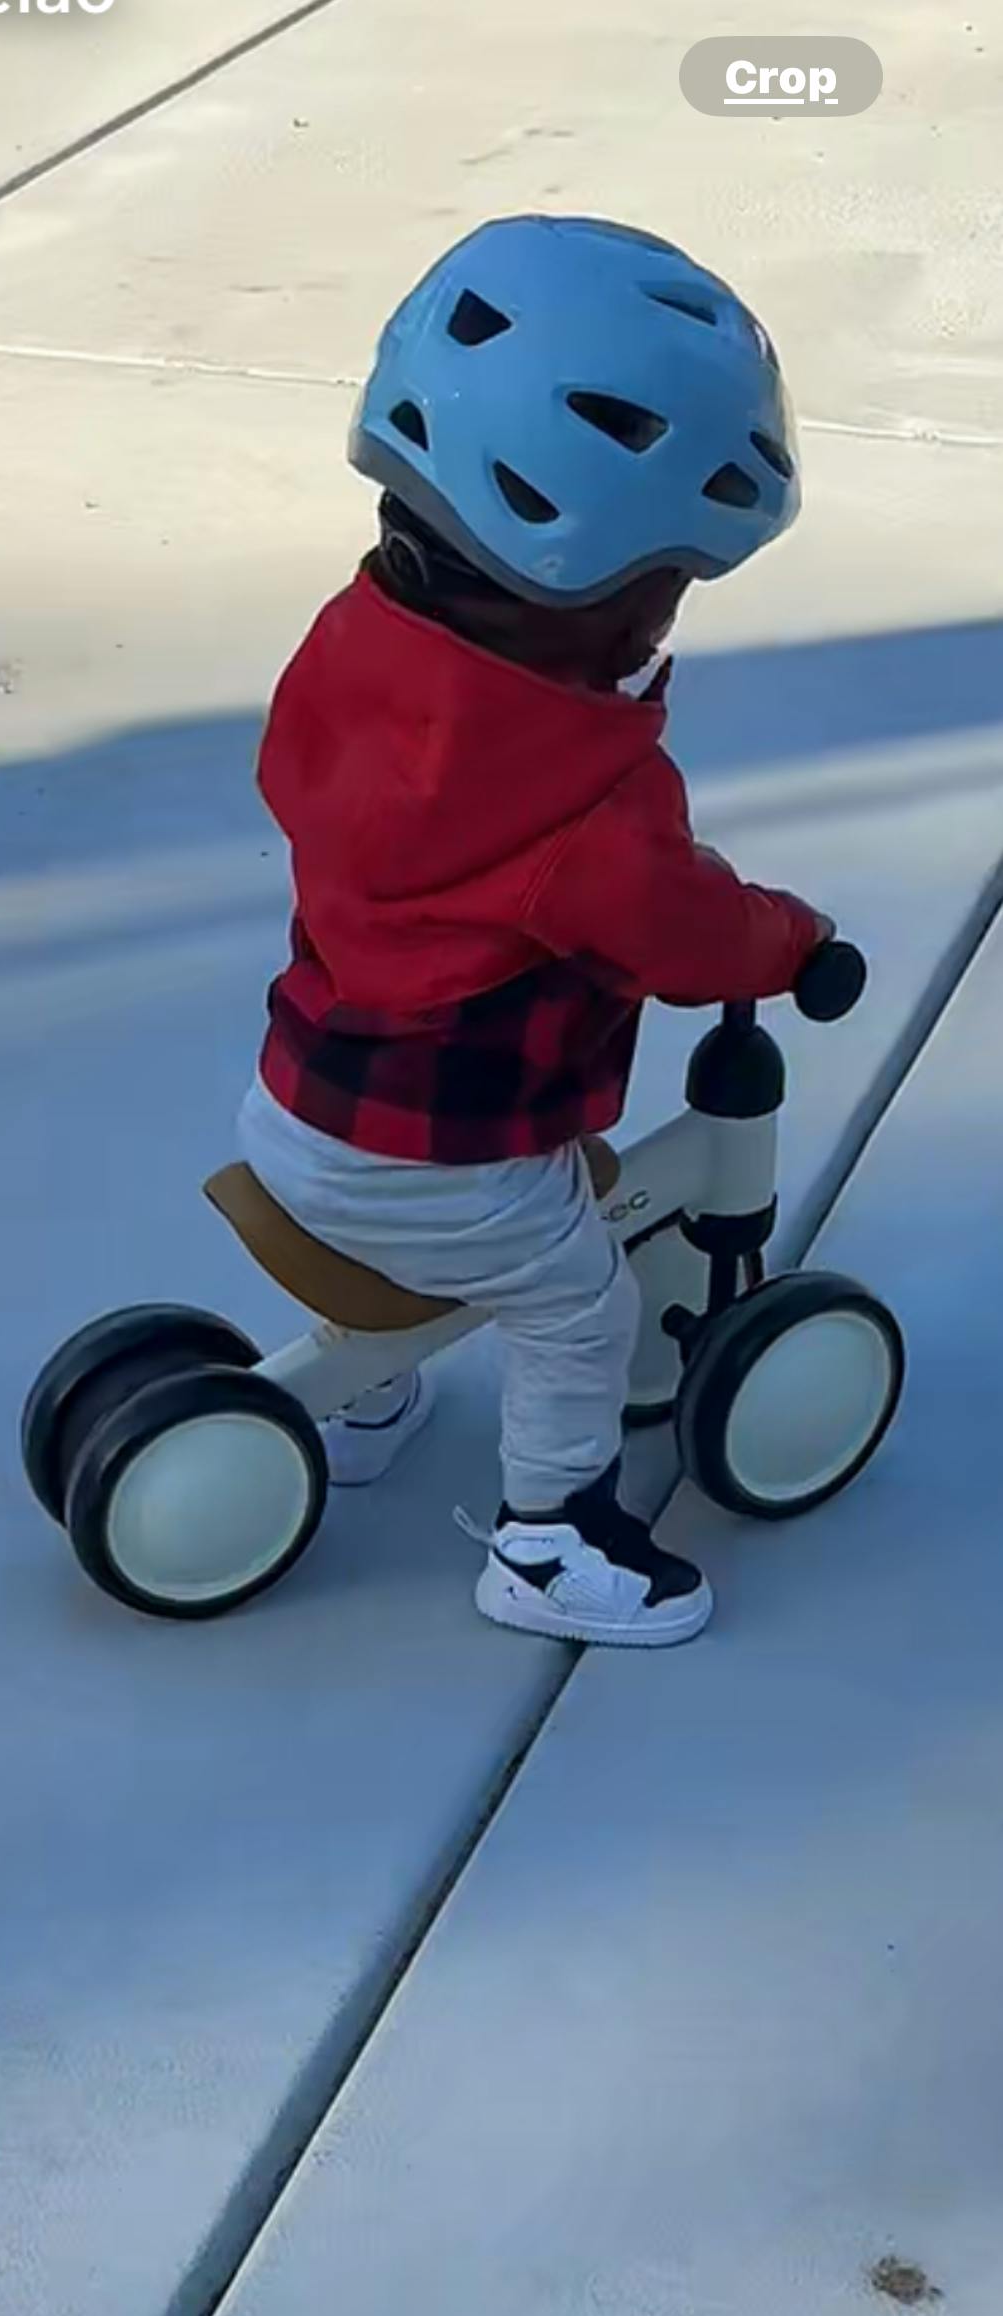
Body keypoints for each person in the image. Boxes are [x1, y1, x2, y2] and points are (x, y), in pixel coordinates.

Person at [237, 215, 832, 1649]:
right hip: (425, 1164)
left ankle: (363, 1398)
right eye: (668, 587)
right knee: (576, 1307)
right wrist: (792, 942)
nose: (666, 624)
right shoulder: (583, 807)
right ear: (597, 590)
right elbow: (684, 936)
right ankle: (550, 1542)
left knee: (521, 1195)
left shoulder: (353, 652)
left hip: (299, 1094)